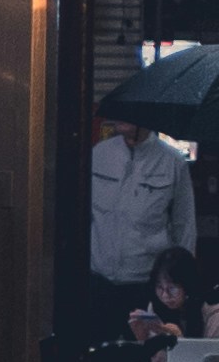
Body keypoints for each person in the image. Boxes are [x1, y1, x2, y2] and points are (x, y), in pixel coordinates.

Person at [85, 84, 199, 341]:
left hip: (146, 284)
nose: (120, 117)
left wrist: (181, 283)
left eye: (129, 111)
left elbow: (184, 224)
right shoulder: (99, 154)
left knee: (143, 353)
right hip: (99, 281)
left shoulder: (172, 162)